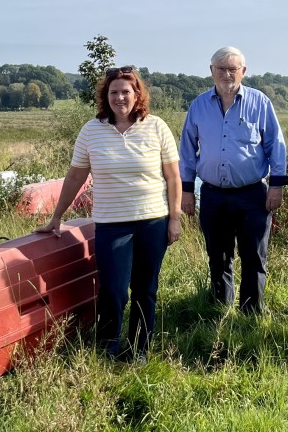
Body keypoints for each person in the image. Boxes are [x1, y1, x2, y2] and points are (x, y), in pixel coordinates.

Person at [37, 66, 181, 362]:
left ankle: (138, 350)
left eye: (126, 92)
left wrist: (175, 218)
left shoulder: (156, 127)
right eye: (113, 92)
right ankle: (108, 347)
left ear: (137, 94)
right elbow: (76, 176)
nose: (120, 98)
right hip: (112, 224)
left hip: (152, 221)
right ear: (106, 96)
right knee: (114, 290)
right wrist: (57, 217)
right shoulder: (92, 131)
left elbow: (173, 178)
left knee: (145, 289)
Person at [179, 47, 288, 315]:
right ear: (211, 71)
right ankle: (220, 308)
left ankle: (251, 312)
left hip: (252, 195)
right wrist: (186, 190)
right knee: (218, 256)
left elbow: (276, 144)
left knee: (254, 256)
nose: (227, 74)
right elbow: (187, 149)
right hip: (213, 195)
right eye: (221, 69)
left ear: (243, 71)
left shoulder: (260, 102)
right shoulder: (199, 106)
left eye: (233, 69)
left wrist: (276, 186)